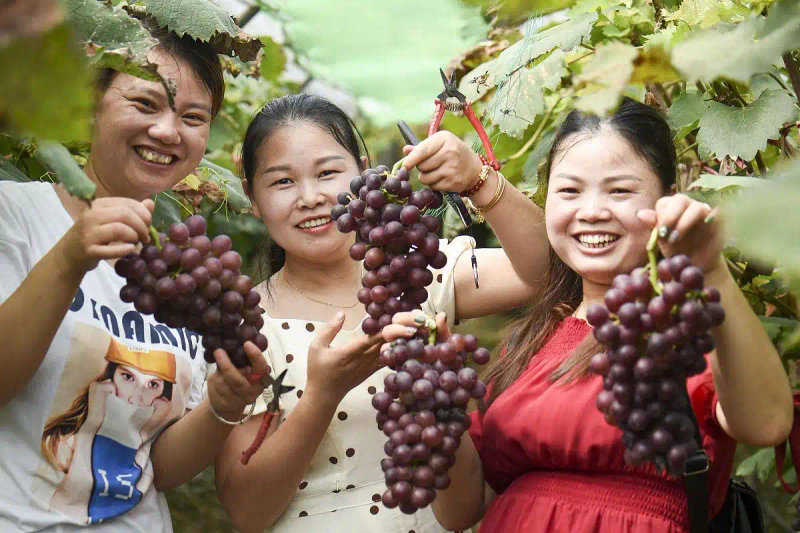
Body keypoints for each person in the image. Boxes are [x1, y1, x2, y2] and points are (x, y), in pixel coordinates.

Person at [384, 97, 794, 532]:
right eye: (569, 191)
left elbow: (767, 424)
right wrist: (437, 397)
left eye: (620, 191)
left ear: (668, 199)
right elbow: (462, 509)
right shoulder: (531, 340)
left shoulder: (688, 329)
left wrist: (711, 270)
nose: (592, 211)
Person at [213, 93, 548, 533]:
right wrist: (322, 395)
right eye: (282, 182)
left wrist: (479, 181)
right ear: (252, 197)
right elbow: (246, 511)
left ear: (365, 173)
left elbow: (546, 273)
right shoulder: (246, 325)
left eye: (327, 173)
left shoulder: (419, 274)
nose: (310, 197)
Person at [0, 25, 268, 532]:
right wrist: (68, 260)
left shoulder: (183, 272)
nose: (168, 131)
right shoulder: (13, 215)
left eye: (193, 117)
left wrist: (222, 407)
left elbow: (157, 469)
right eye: (145, 104)